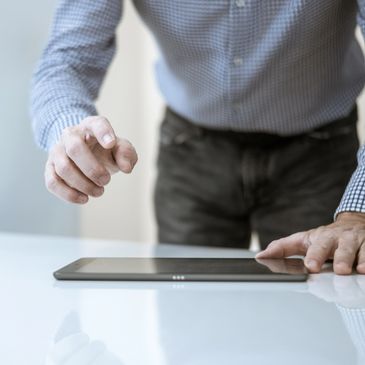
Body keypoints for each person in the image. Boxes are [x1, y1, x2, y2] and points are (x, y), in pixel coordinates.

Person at [31, 1, 365, 275]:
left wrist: (358, 213)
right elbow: (66, 59)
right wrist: (69, 129)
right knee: (189, 326)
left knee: (316, 329)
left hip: (320, 153)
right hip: (191, 152)